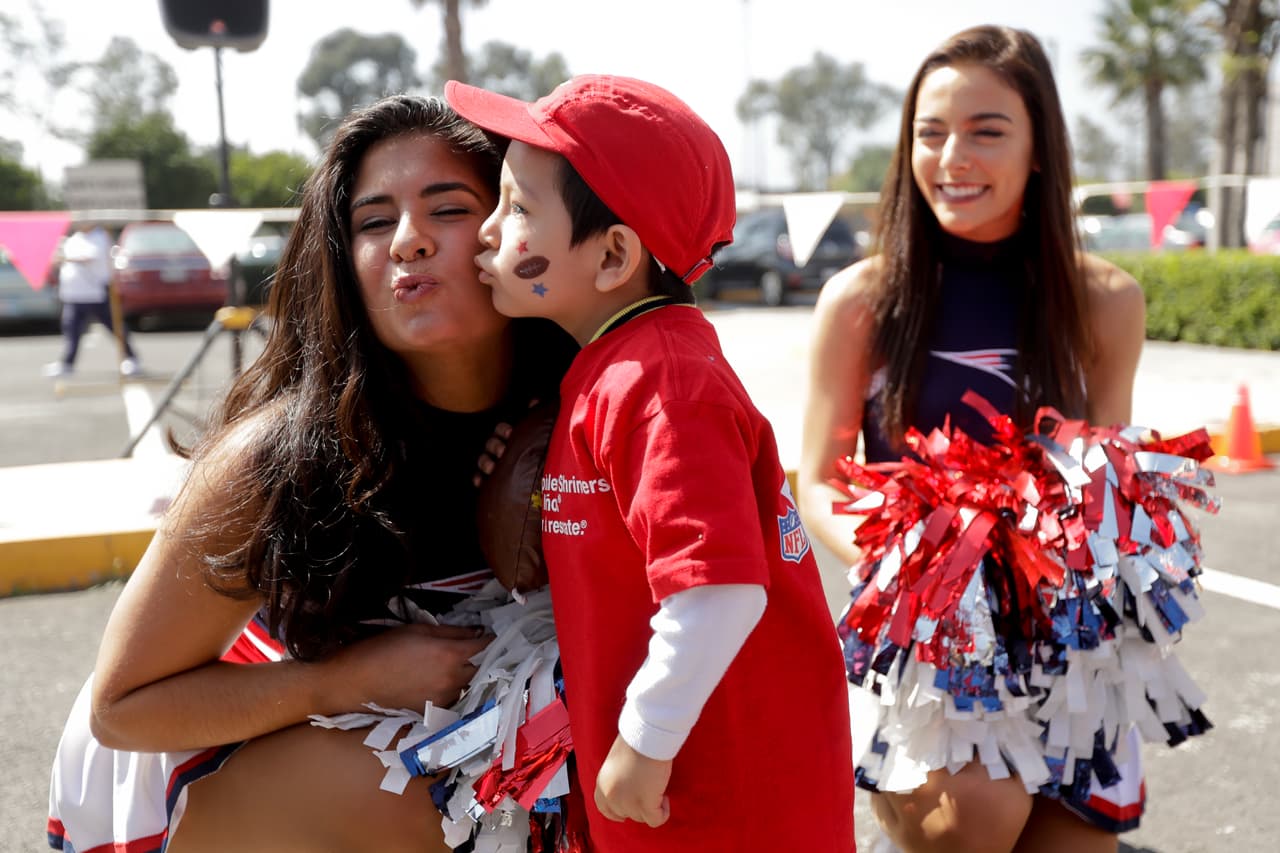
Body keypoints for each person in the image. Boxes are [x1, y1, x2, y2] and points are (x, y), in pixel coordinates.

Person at [47, 94, 577, 853]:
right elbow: (121, 708)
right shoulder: (277, 456)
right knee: (444, 807)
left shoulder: (585, 406)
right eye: (373, 222)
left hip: (420, 754)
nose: (408, 240)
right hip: (193, 780)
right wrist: (346, 679)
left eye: (449, 209)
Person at [446, 75, 857, 851]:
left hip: (724, 799)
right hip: (679, 790)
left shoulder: (662, 385)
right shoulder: (622, 366)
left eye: (518, 207)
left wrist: (644, 738)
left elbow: (720, 588)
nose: (486, 232)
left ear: (613, 255)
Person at [797, 25, 1176, 853]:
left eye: (986, 131)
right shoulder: (859, 300)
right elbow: (817, 478)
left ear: (1039, 150)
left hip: (1066, 638)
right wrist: (911, 568)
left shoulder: (1105, 301)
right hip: (929, 637)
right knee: (978, 817)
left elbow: (1106, 474)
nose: (952, 157)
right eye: (930, 133)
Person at [43, 222, 141, 378]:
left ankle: (130, 358)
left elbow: (89, 257)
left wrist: (66, 258)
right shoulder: (74, 239)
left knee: (115, 327)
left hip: (96, 294)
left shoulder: (100, 237)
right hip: (74, 295)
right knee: (71, 331)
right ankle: (67, 363)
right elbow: (59, 259)